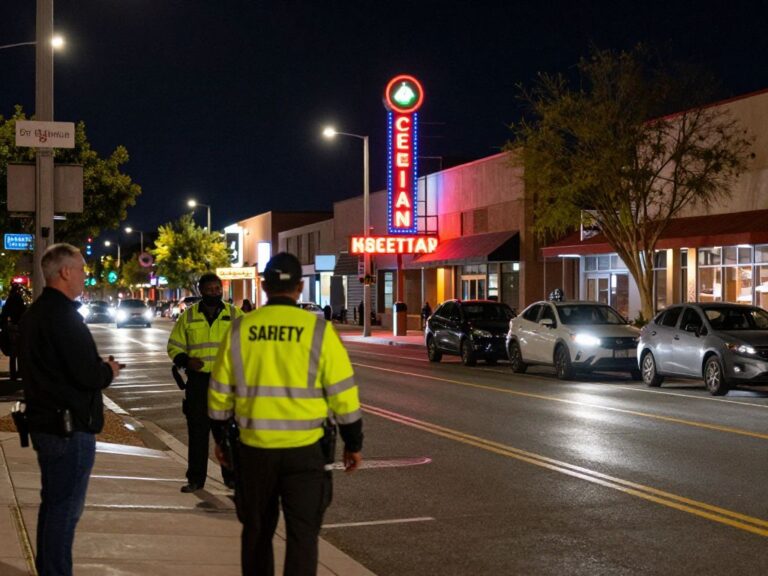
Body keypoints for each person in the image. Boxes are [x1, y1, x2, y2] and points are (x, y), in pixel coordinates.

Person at [209, 252, 363, 576]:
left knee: (256, 535)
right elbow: (344, 396)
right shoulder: (319, 331)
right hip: (305, 453)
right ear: (300, 286)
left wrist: (221, 440)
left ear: (264, 286)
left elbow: (219, 395)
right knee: (303, 537)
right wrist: (353, 443)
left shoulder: (240, 330)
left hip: (253, 452)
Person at [19, 243, 122, 576]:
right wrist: (109, 370)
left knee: (53, 507)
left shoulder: (36, 314)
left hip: (45, 424)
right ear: (64, 272)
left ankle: (49, 568)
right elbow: (86, 374)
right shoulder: (64, 316)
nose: (83, 275)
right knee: (64, 512)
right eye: (80, 269)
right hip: (68, 428)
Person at [167, 273, 243, 492]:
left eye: (217, 289)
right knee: (198, 433)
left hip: (226, 383)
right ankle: (195, 479)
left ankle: (232, 479)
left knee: (227, 433)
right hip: (198, 383)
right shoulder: (188, 317)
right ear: (201, 291)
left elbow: (248, 345)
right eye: (209, 289)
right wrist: (185, 361)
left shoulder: (235, 315)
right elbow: (174, 346)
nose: (214, 293)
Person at [1, 283, 27, 380]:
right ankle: (19, 371)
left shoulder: (9, 299)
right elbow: (23, 311)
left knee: (13, 353)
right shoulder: (19, 299)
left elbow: (5, 313)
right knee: (20, 351)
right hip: (19, 327)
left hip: (10, 327)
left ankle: (13, 374)